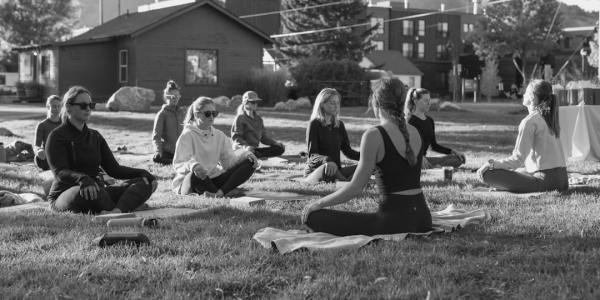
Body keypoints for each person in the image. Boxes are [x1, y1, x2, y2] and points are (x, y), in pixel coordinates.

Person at [301, 78, 432, 236]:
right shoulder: (415, 131)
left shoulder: (374, 135)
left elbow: (355, 188)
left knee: (313, 217)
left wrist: (318, 203)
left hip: (394, 222)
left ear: (376, 104)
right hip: (423, 219)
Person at [45, 86, 157, 214]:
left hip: (96, 189)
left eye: (90, 105)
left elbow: (114, 169)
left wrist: (142, 173)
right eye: (83, 105)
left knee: (144, 182)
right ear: (69, 107)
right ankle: (126, 204)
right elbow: (59, 172)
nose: (88, 109)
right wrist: (83, 179)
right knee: (92, 193)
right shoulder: (56, 136)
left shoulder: (95, 136)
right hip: (66, 193)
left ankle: (116, 211)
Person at [477, 79, 568, 193]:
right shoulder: (550, 118)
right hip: (562, 180)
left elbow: (517, 159)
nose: (523, 94)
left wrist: (491, 164)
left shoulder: (529, 121)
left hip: (544, 182)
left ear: (532, 97)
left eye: (526, 92)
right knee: (520, 171)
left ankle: (505, 183)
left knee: (487, 173)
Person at [172, 97, 259, 197]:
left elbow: (228, 164)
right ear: (196, 114)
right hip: (191, 182)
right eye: (207, 113)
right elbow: (178, 164)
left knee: (250, 163)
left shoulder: (219, 136)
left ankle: (219, 193)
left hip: (213, 179)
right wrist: (193, 166)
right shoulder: (187, 135)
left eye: (214, 113)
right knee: (195, 174)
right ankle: (224, 192)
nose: (212, 117)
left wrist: (245, 155)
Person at [304, 88, 360, 183]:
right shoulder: (314, 124)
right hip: (318, 171)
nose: (336, 106)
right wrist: (327, 160)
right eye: (332, 103)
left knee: (369, 166)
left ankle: (346, 182)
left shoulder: (339, 125)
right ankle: (347, 183)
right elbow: (312, 155)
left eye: (338, 103)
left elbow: (348, 151)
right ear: (322, 104)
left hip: (336, 171)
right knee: (330, 168)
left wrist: (367, 157)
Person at [405, 88, 465, 169]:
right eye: (425, 100)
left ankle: (433, 166)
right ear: (415, 101)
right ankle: (433, 166)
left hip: (425, 160)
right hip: (413, 159)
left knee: (458, 159)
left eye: (430, 100)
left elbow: (434, 146)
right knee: (417, 163)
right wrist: (419, 157)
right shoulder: (410, 121)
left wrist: (453, 151)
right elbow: (406, 145)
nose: (429, 103)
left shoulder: (430, 120)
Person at [231, 91, 285, 159]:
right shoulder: (239, 118)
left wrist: (275, 143)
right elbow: (236, 138)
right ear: (245, 102)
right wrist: (246, 147)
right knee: (251, 152)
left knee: (279, 148)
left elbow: (264, 138)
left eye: (256, 102)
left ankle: (257, 156)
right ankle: (256, 156)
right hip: (242, 149)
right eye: (253, 102)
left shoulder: (259, 119)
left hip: (253, 150)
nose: (255, 104)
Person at [152, 80, 185, 165]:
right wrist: (158, 151)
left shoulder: (182, 113)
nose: (175, 99)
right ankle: (175, 162)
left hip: (182, 151)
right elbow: (156, 137)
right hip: (168, 152)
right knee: (158, 158)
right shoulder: (162, 114)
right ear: (167, 97)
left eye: (177, 96)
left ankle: (178, 161)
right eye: (173, 97)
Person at [33, 95, 62, 170]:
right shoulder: (42, 125)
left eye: (59, 106)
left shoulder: (65, 123)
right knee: (39, 159)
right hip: (48, 155)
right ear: (48, 107)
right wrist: (39, 151)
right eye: (54, 106)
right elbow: (36, 145)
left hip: (62, 154)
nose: (57, 109)